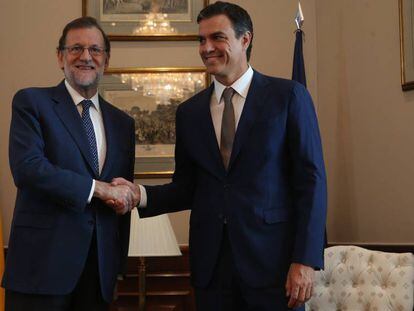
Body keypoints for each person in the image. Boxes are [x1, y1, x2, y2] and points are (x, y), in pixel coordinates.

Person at [114, 1, 327, 310]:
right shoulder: (189, 112)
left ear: (245, 39)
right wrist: (139, 195)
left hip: (274, 268)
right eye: (201, 40)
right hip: (211, 271)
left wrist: (305, 260)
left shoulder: (288, 97)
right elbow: (187, 188)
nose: (206, 48)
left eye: (217, 38)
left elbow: (312, 183)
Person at [2, 16, 138, 311]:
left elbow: (122, 200)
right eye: (75, 48)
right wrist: (98, 189)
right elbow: (28, 169)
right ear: (60, 56)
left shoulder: (123, 123)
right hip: (41, 269)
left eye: (95, 50)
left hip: (98, 274)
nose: (85, 57)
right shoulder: (31, 103)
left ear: (106, 60)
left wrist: (117, 269)